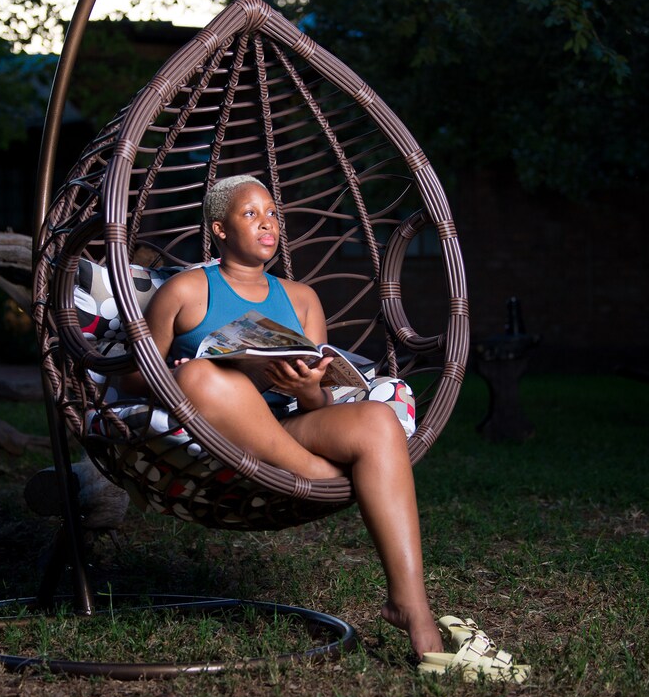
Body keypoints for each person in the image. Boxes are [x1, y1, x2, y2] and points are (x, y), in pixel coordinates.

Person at [135, 174, 443, 661]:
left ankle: (411, 605)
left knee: (378, 422)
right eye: (250, 214)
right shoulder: (185, 290)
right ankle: (322, 475)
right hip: (222, 431)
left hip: (285, 427)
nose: (267, 224)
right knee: (198, 376)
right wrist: (177, 373)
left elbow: (316, 403)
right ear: (219, 229)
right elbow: (133, 377)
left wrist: (305, 389)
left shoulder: (301, 298)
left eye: (272, 214)